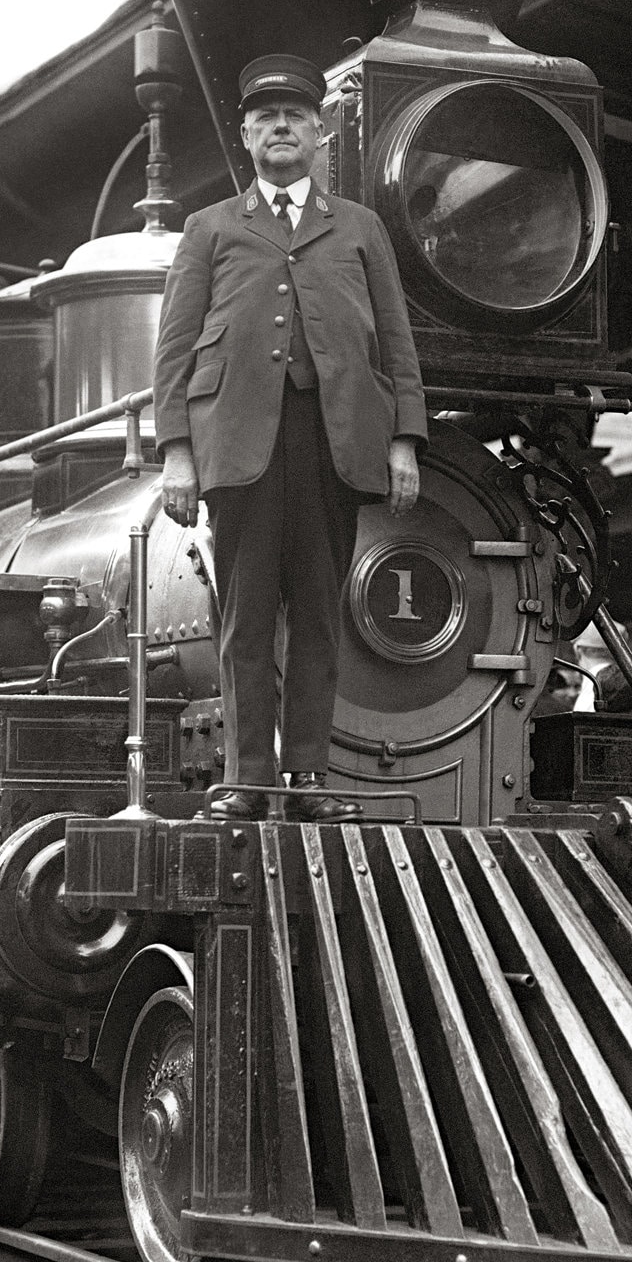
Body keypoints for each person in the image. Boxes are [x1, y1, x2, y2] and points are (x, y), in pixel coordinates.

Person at [155, 54, 426, 822]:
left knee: (317, 611)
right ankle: (249, 779)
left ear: (321, 130)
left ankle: (307, 781)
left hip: (335, 440)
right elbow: (174, 349)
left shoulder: (361, 228)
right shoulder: (209, 230)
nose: (281, 127)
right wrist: (178, 451)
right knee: (245, 617)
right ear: (246, 135)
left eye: (296, 116)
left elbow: (398, 347)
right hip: (239, 445)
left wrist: (404, 440)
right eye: (266, 117)